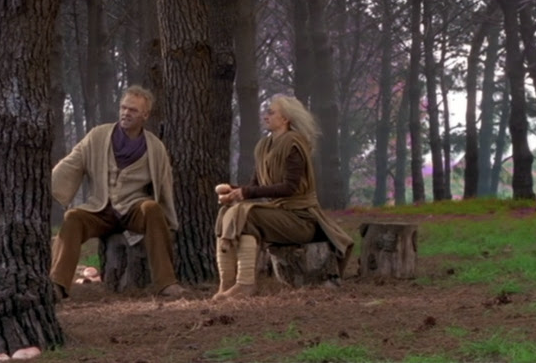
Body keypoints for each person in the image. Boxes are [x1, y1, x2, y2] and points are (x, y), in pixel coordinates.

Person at [213, 94, 353, 300]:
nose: (265, 116)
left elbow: (290, 188)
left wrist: (246, 193)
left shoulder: (294, 144)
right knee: (227, 212)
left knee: (246, 215)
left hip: (300, 219)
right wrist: (233, 191)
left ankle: (245, 284)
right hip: (278, 213)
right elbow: (255, 187)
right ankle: (226, 283)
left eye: (271, 112)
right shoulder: (263, 146)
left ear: (285, 118)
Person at [50, 85, 185, 300]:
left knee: (152, 208)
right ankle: (57, 284)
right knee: (73, 217)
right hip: (100, 209)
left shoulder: (155, 147)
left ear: (145, 115)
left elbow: (164, 186)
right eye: (123, 108)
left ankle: (166, 283)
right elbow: (73, 162)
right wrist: (45, 182)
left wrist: (169, 221)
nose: (126, 113)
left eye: (133, 110)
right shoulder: (98, 136)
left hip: (132, 209)